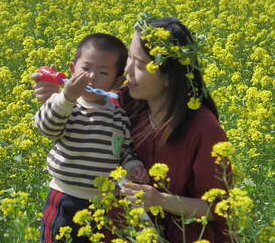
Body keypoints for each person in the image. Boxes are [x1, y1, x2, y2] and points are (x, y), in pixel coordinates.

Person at [32, 15, 231, 242]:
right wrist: (55, 94)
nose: (127, 71)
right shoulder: (123, 100)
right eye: (129, 59)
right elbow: (78, 106)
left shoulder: (203, 128)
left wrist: (161, 200)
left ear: (169, 77)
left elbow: (219, 208)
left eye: (139, 64)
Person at [35, 33, 149, 243]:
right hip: (64, 198)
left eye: (103, 72)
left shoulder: (118, 116)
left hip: (104, 204)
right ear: (72, 70)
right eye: (85, 69)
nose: (91, 77)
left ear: (117, 82)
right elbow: (46, 127)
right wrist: (66, 97)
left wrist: (133, 165)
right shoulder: (67, 106)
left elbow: (123, 150)